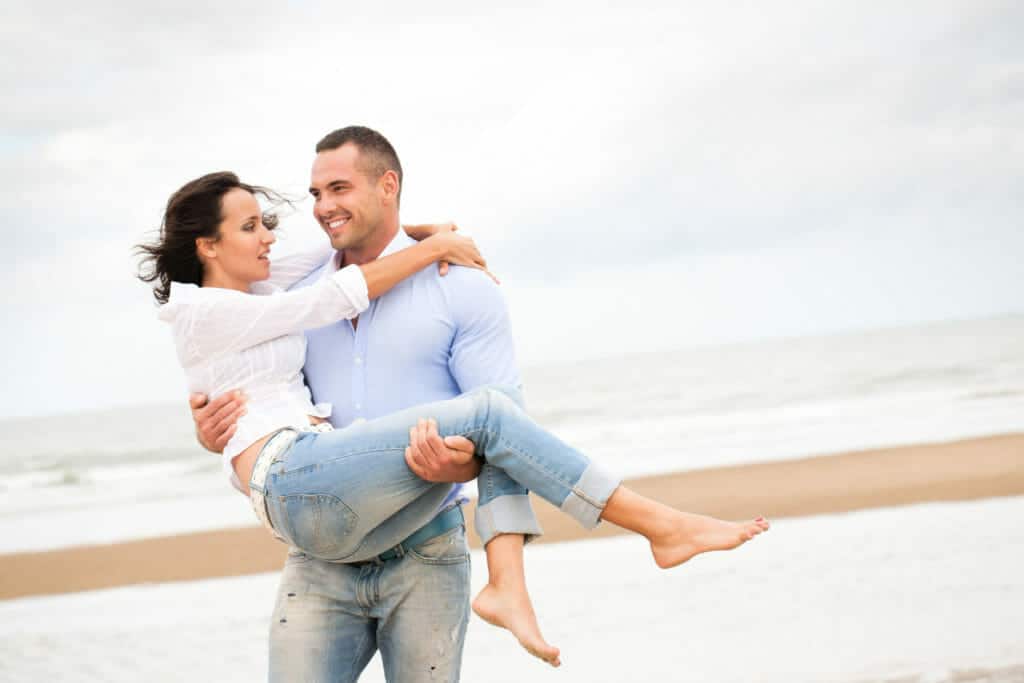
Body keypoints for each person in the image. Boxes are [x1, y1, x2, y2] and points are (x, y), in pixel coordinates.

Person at [154, 129, 769, 682]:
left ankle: (521, 579)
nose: (318, 210)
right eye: (314, 194)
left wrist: (430, 236)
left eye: (337, 189)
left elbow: (500, 441)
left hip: (424, 541)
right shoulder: (283, 298)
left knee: (498, 416)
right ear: (209, 244)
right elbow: (303, 322)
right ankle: (657, 527)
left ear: (388, 185)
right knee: (493, 416)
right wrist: (215, 434)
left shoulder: (459, 286)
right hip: (319, 545)